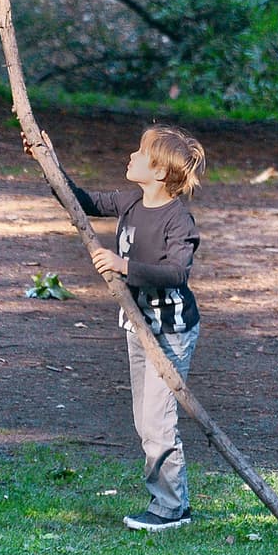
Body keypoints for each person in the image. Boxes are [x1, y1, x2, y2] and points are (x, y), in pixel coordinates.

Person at [50, 124, 206, 532]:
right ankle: (168, 501)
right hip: (137, 326)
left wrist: (124, 267)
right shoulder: (132, 200)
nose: (130, 156)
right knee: (144, 421)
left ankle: (171, 508)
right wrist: (49, 162)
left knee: (157, 421)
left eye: (139, 153)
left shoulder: (178, 221)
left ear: (158, 172)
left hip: (169, 331)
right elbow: (79, 202)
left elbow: (176, 273)